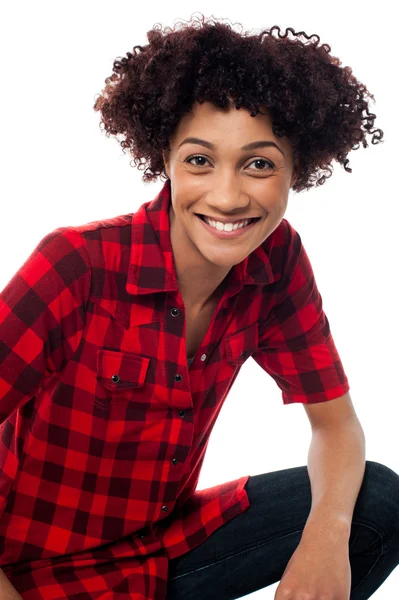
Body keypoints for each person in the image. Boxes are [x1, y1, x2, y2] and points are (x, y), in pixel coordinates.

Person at [0, 12, 398, 600]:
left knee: (376, 501)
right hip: (28, 567)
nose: (229, 196)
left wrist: (324, 541)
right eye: (200, 160)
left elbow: (336, 428)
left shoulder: (277, 261)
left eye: (259, 163)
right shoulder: (77, 263)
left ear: (298, 169)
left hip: (158, 552)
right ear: (164, 157)